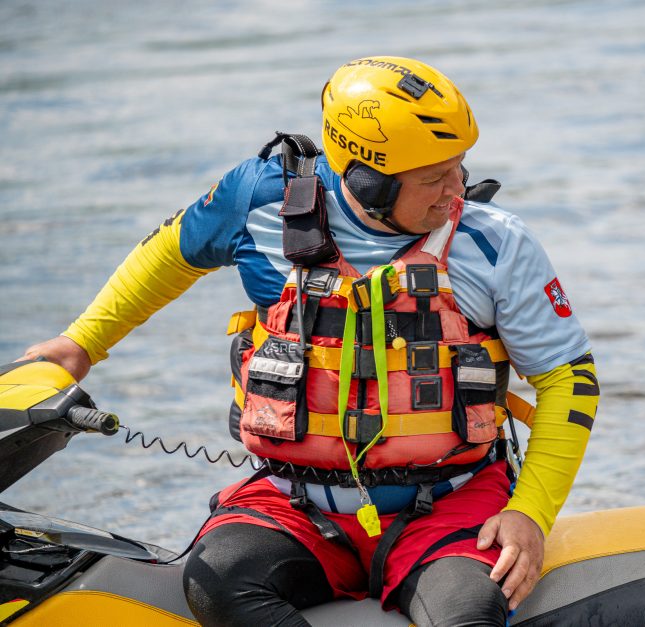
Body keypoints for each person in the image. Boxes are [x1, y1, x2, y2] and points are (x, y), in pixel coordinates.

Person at [20, 56, 599, 626]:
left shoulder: (495, 241)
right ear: (365, 181)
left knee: (467, 614)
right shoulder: (259, 200)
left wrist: (530, 512)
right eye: (434, 178)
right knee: (216, 586)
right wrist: (82, 344)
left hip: (452, 503)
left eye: (459, 168)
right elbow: (168, 255)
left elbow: (569, 380)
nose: (457, 192)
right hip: (293, 504)